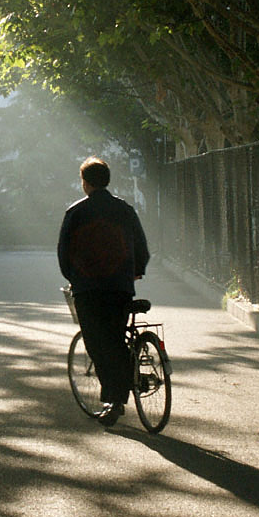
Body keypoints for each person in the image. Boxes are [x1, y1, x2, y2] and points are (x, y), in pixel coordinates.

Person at [58, 156, 150, 427]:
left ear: (85, 183)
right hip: (120, 287)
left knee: (98, 344)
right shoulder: (125, 210)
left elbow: (64, 254)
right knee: (115, 337)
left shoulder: (75, 212)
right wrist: (134, 272)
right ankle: (123, 388)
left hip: (88, 289)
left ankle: (114, 400)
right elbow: (141, 247)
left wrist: (73, 278)